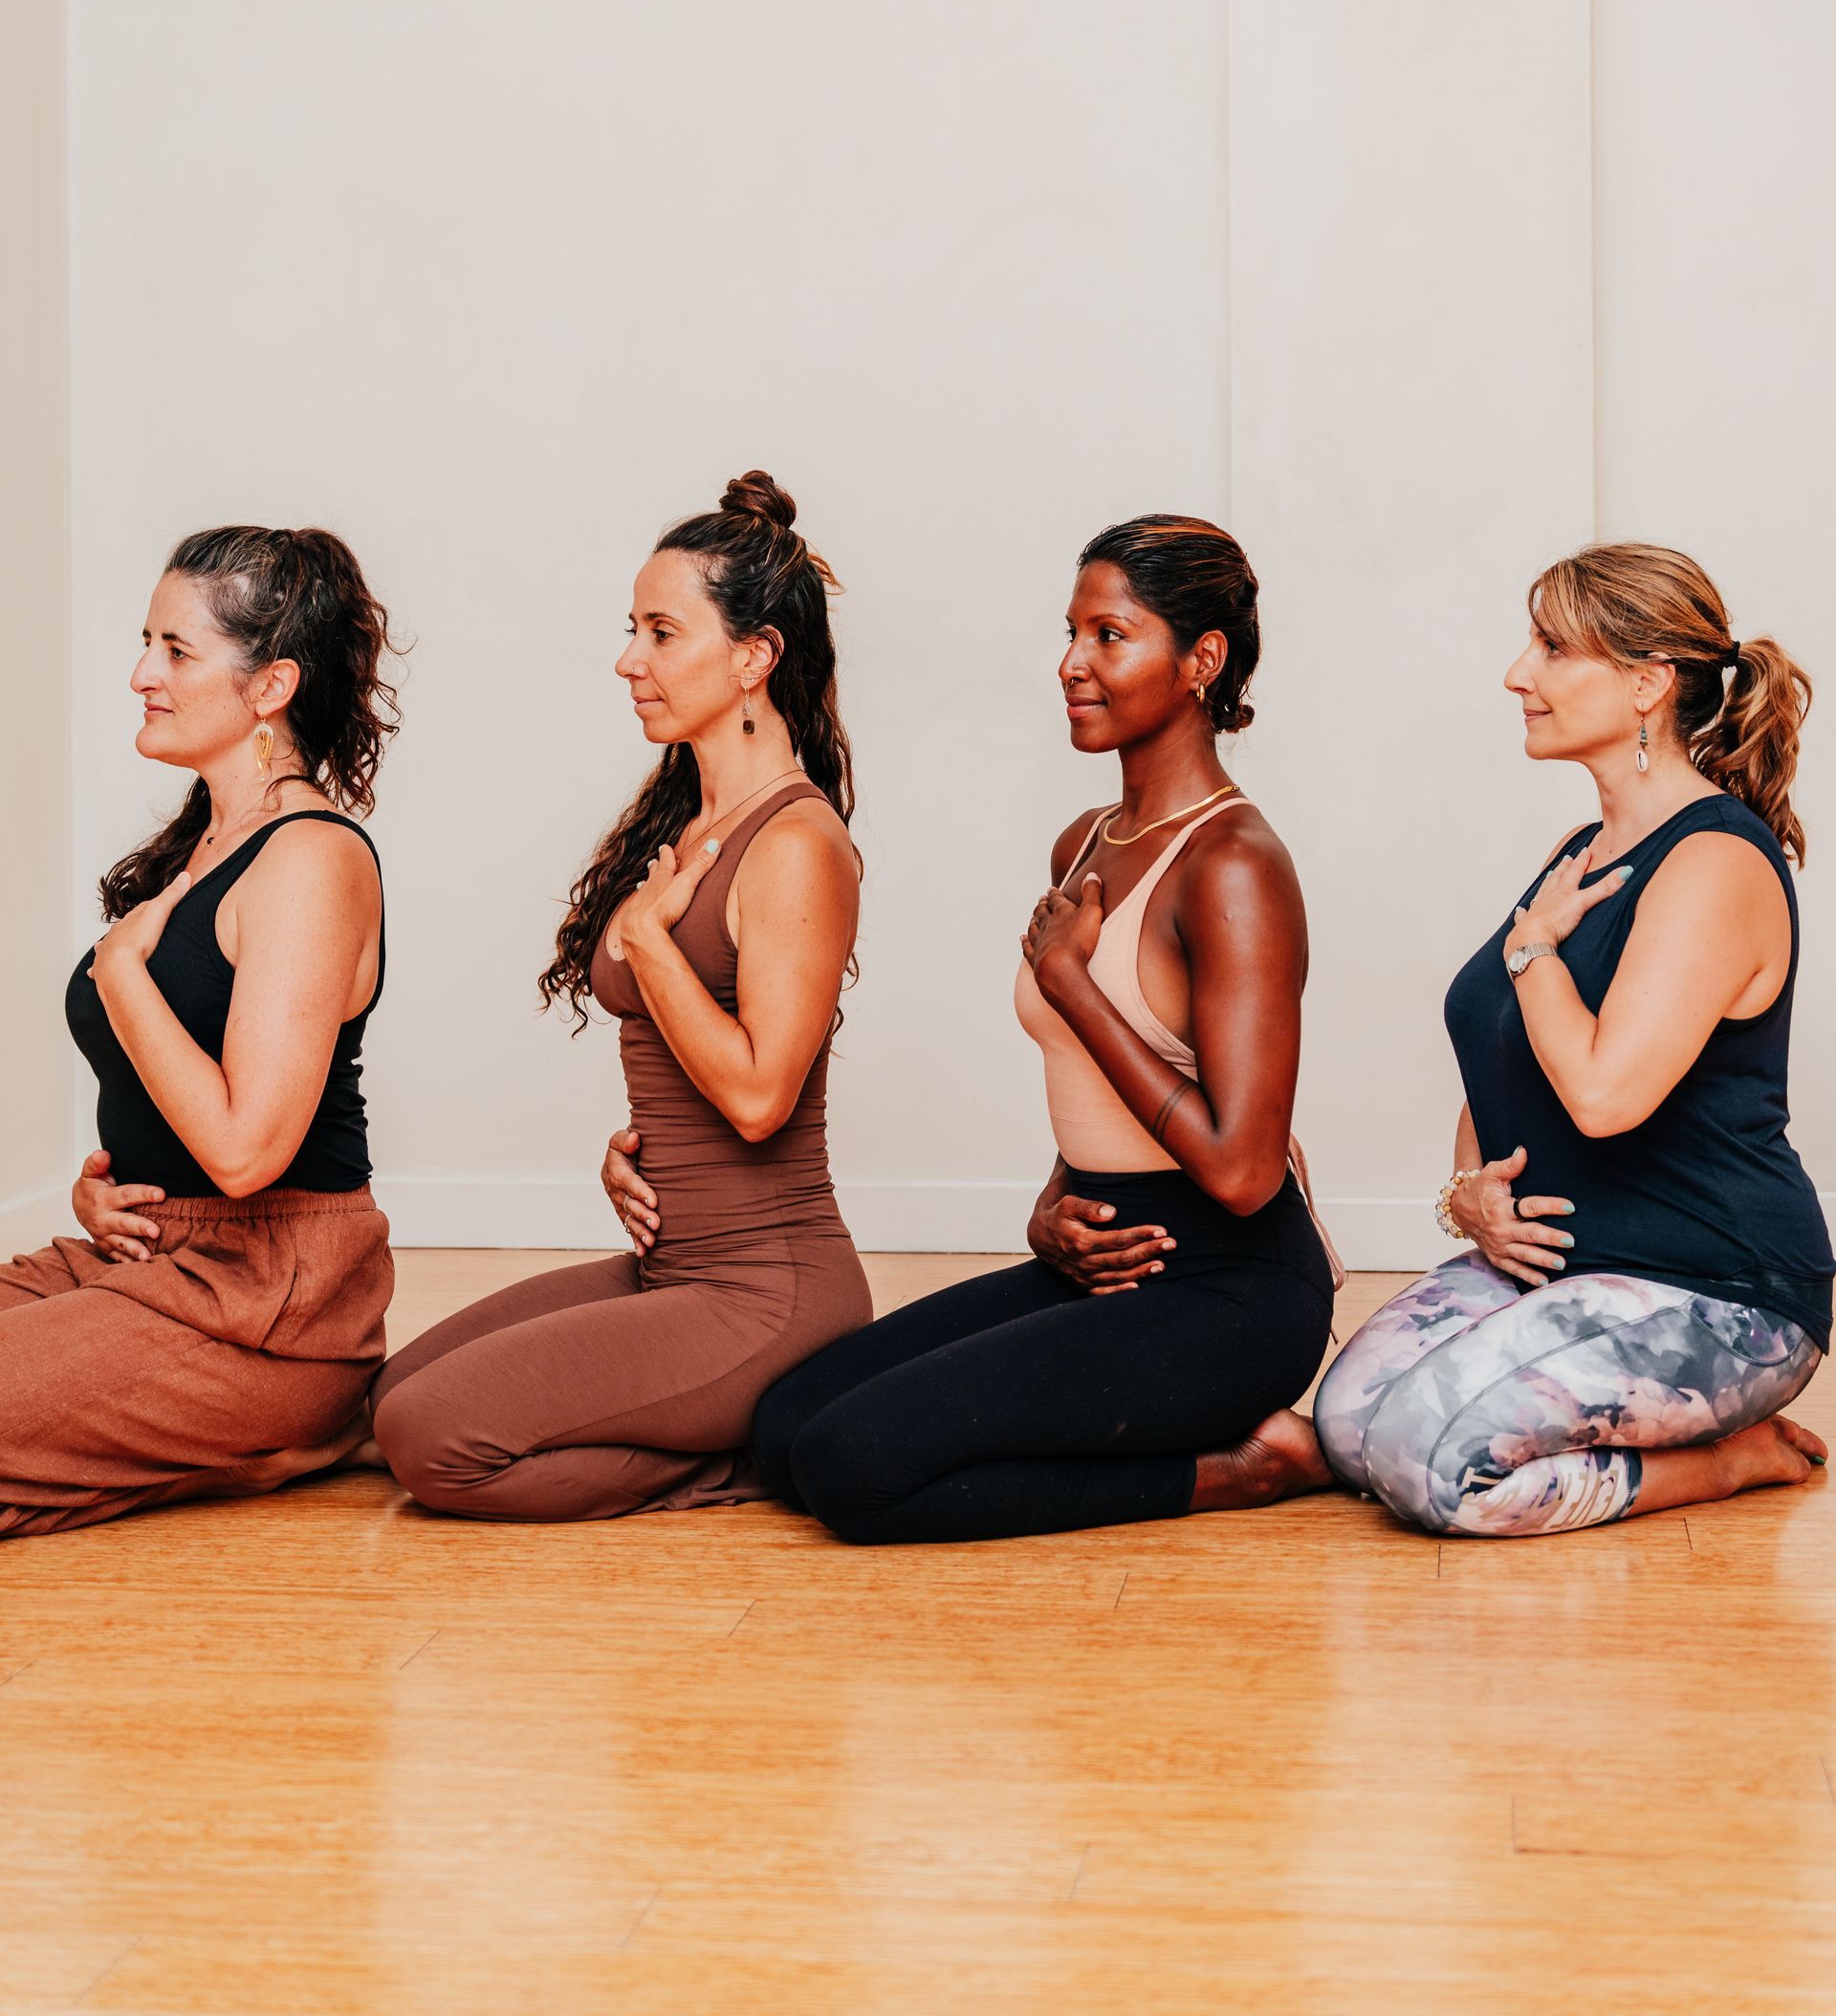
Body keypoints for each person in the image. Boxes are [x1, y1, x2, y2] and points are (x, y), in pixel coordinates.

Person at [751, 514, 1343, 1545]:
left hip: (1228, 1291)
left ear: (1202, 659)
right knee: (786, 1427)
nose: (1073, 663)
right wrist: (1055, 1198)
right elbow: (1100, 1087)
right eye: (1071, 633)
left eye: (1110, 636)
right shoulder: (1088, 842)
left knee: (854, 1469)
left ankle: (1244, 1469)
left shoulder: (1235, 866)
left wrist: (1073, 983)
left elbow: (1246, 1170)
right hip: (1104, 1259)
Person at [372, 472, 870, 1522]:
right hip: (672, 1262)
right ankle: (721, 1424)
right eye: (631, 628)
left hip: (767, 1294)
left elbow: (757, 1097)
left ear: (753, 657)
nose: (627, 659)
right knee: (392, 1399)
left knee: (433, 1444)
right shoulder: (689, 826)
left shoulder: (796, 845)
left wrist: (645, 938)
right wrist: (640, 1145)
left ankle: (756, 1457)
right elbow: (693, 1065)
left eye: (660, 631)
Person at [1315, 541, 1830, 1536]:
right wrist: (1469, 1191)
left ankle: (1726, 1464)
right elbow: (1504, 1048)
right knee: (1350, 1426)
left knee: (1432, 1467)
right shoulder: (1581, 854)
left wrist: (1535, 953)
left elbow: (1603, 1094)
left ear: (1648, 684)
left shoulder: (1714, 862)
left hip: (1716, 1288)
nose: (1520, 673)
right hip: (1568, 1265)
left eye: (1554, 648)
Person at [0, 526, 398, 1539]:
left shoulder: (310, 858)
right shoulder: (205, 843)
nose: (142, 673)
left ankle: (284, 1427)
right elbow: (171, 1115)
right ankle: (221, 1450)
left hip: (265, 1304)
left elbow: (243, 1150)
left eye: (176, 651)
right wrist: (108, 1185)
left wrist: (121, 972)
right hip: (149, 1260)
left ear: (270, 688)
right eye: (148, 641)